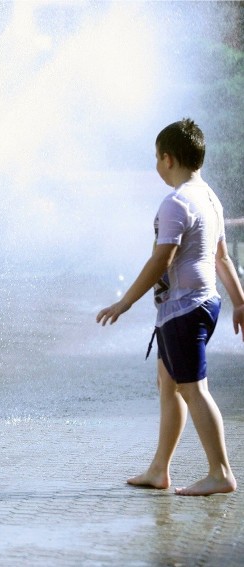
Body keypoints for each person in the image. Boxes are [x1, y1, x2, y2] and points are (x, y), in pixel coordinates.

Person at [97, 118, 244, 496]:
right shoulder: (209, 197)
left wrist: (125, 302)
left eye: (156, 158)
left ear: (167, 158)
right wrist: (239, 302)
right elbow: (222, 258)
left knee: (193, 389)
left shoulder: (177, 202)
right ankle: (159, 469)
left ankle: (221, 472)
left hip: (184, 310)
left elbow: (162, 260)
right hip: (201, 304)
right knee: (169, 385)